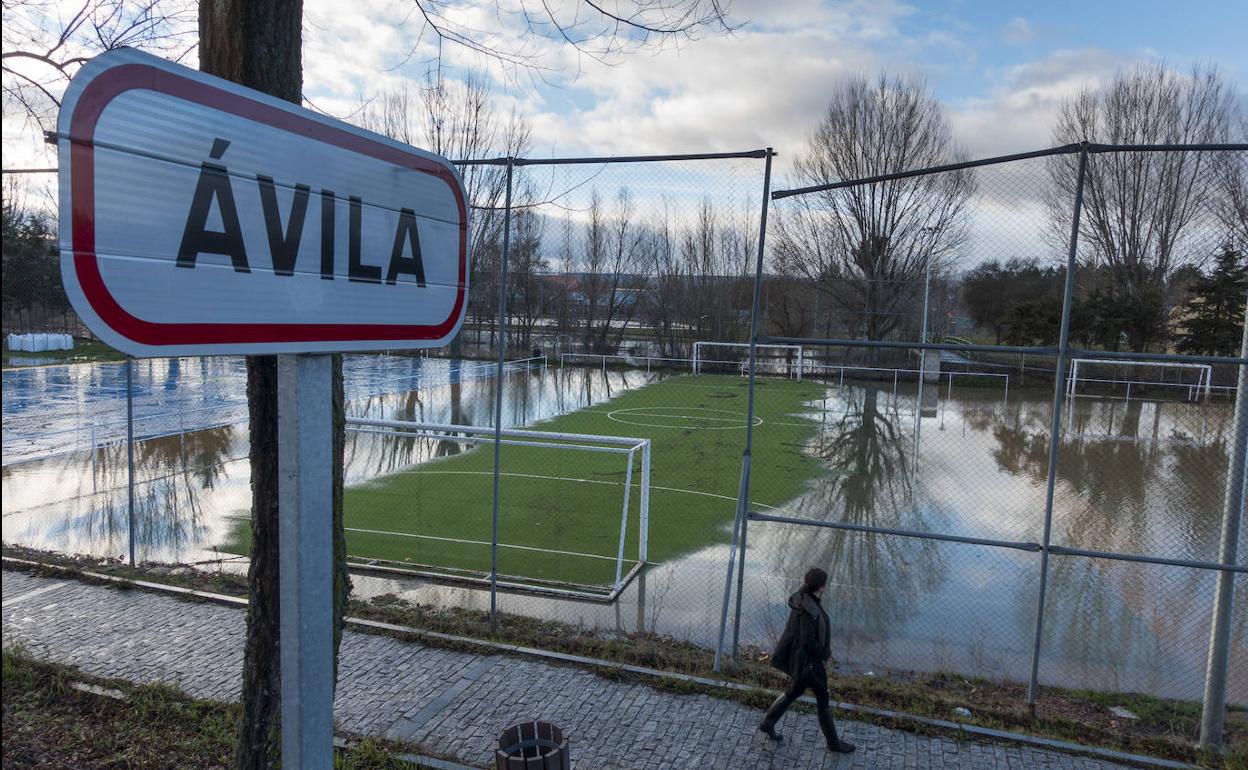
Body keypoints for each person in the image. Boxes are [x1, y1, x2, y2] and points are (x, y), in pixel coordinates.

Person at [758, 567, 855, 753]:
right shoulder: (808, 608)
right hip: (808, 662)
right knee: (822, 696)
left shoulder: (804, 599)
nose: (826, 586)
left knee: (795, 690)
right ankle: (833, 743)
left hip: (801, 659)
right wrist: (825, 654)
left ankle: (767, 723)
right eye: (825, 584)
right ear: (820, 587)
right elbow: (807, 640)